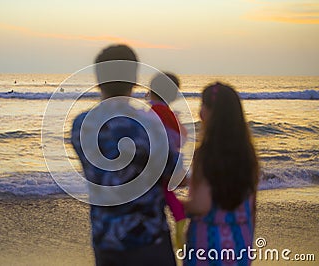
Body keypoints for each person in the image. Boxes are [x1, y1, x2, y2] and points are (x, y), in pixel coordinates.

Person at [71, 44, 178, 266]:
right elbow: (175, 173)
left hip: (105, 238)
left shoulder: (81, 125)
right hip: (149, 239)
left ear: (98, 80)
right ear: (134, 80)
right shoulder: (150, 124)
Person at [182, 82, 259, 265]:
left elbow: (201, 205)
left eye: (202, 106)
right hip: (240, 240)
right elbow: (252, 206)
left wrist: (169, 199)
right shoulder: (247, 153)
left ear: (207, 113)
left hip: (208, 244)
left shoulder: (206, 153)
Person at [148, 72, 188, 250]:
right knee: (167, 192)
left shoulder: (157, 111)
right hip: (171, 158)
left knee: (164, 191)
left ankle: (179, 221)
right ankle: (179, 220)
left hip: (163, 159)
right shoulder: (167, 112)